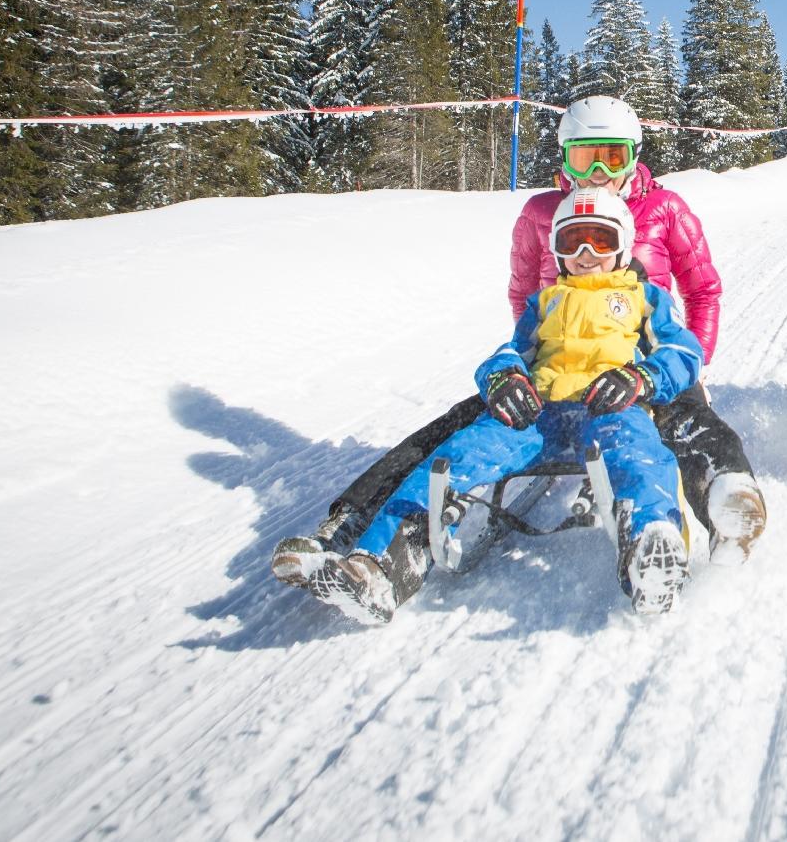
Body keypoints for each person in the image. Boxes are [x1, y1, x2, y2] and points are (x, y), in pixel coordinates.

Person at [274, 95, 764, 590]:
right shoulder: (541, 213)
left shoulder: (663, 209)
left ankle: (724, 499)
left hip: (641, 365)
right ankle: (354, 526)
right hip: (554, 377)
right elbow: (523, 296)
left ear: (633, 155)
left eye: (611, 156)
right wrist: (530, 364)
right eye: (583, 156)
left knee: (689, 420)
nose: (597, 171)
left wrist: (681, 369)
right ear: (564, 156)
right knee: (457, 427)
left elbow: (703, 291)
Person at [297, 187, 702, 623]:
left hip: (609, 408)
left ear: (622, 246)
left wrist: (641, 377)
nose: (586, 253)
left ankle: (651, 546)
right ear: (557, 250)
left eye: (600, 240)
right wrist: (503, 378)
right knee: (458, 455)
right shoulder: (545, 303)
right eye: (571, 242)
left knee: (641, 453)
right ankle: (382, 563)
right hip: (539, 414)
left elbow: (684, 353)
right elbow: (510, 353)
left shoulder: (644, 298)